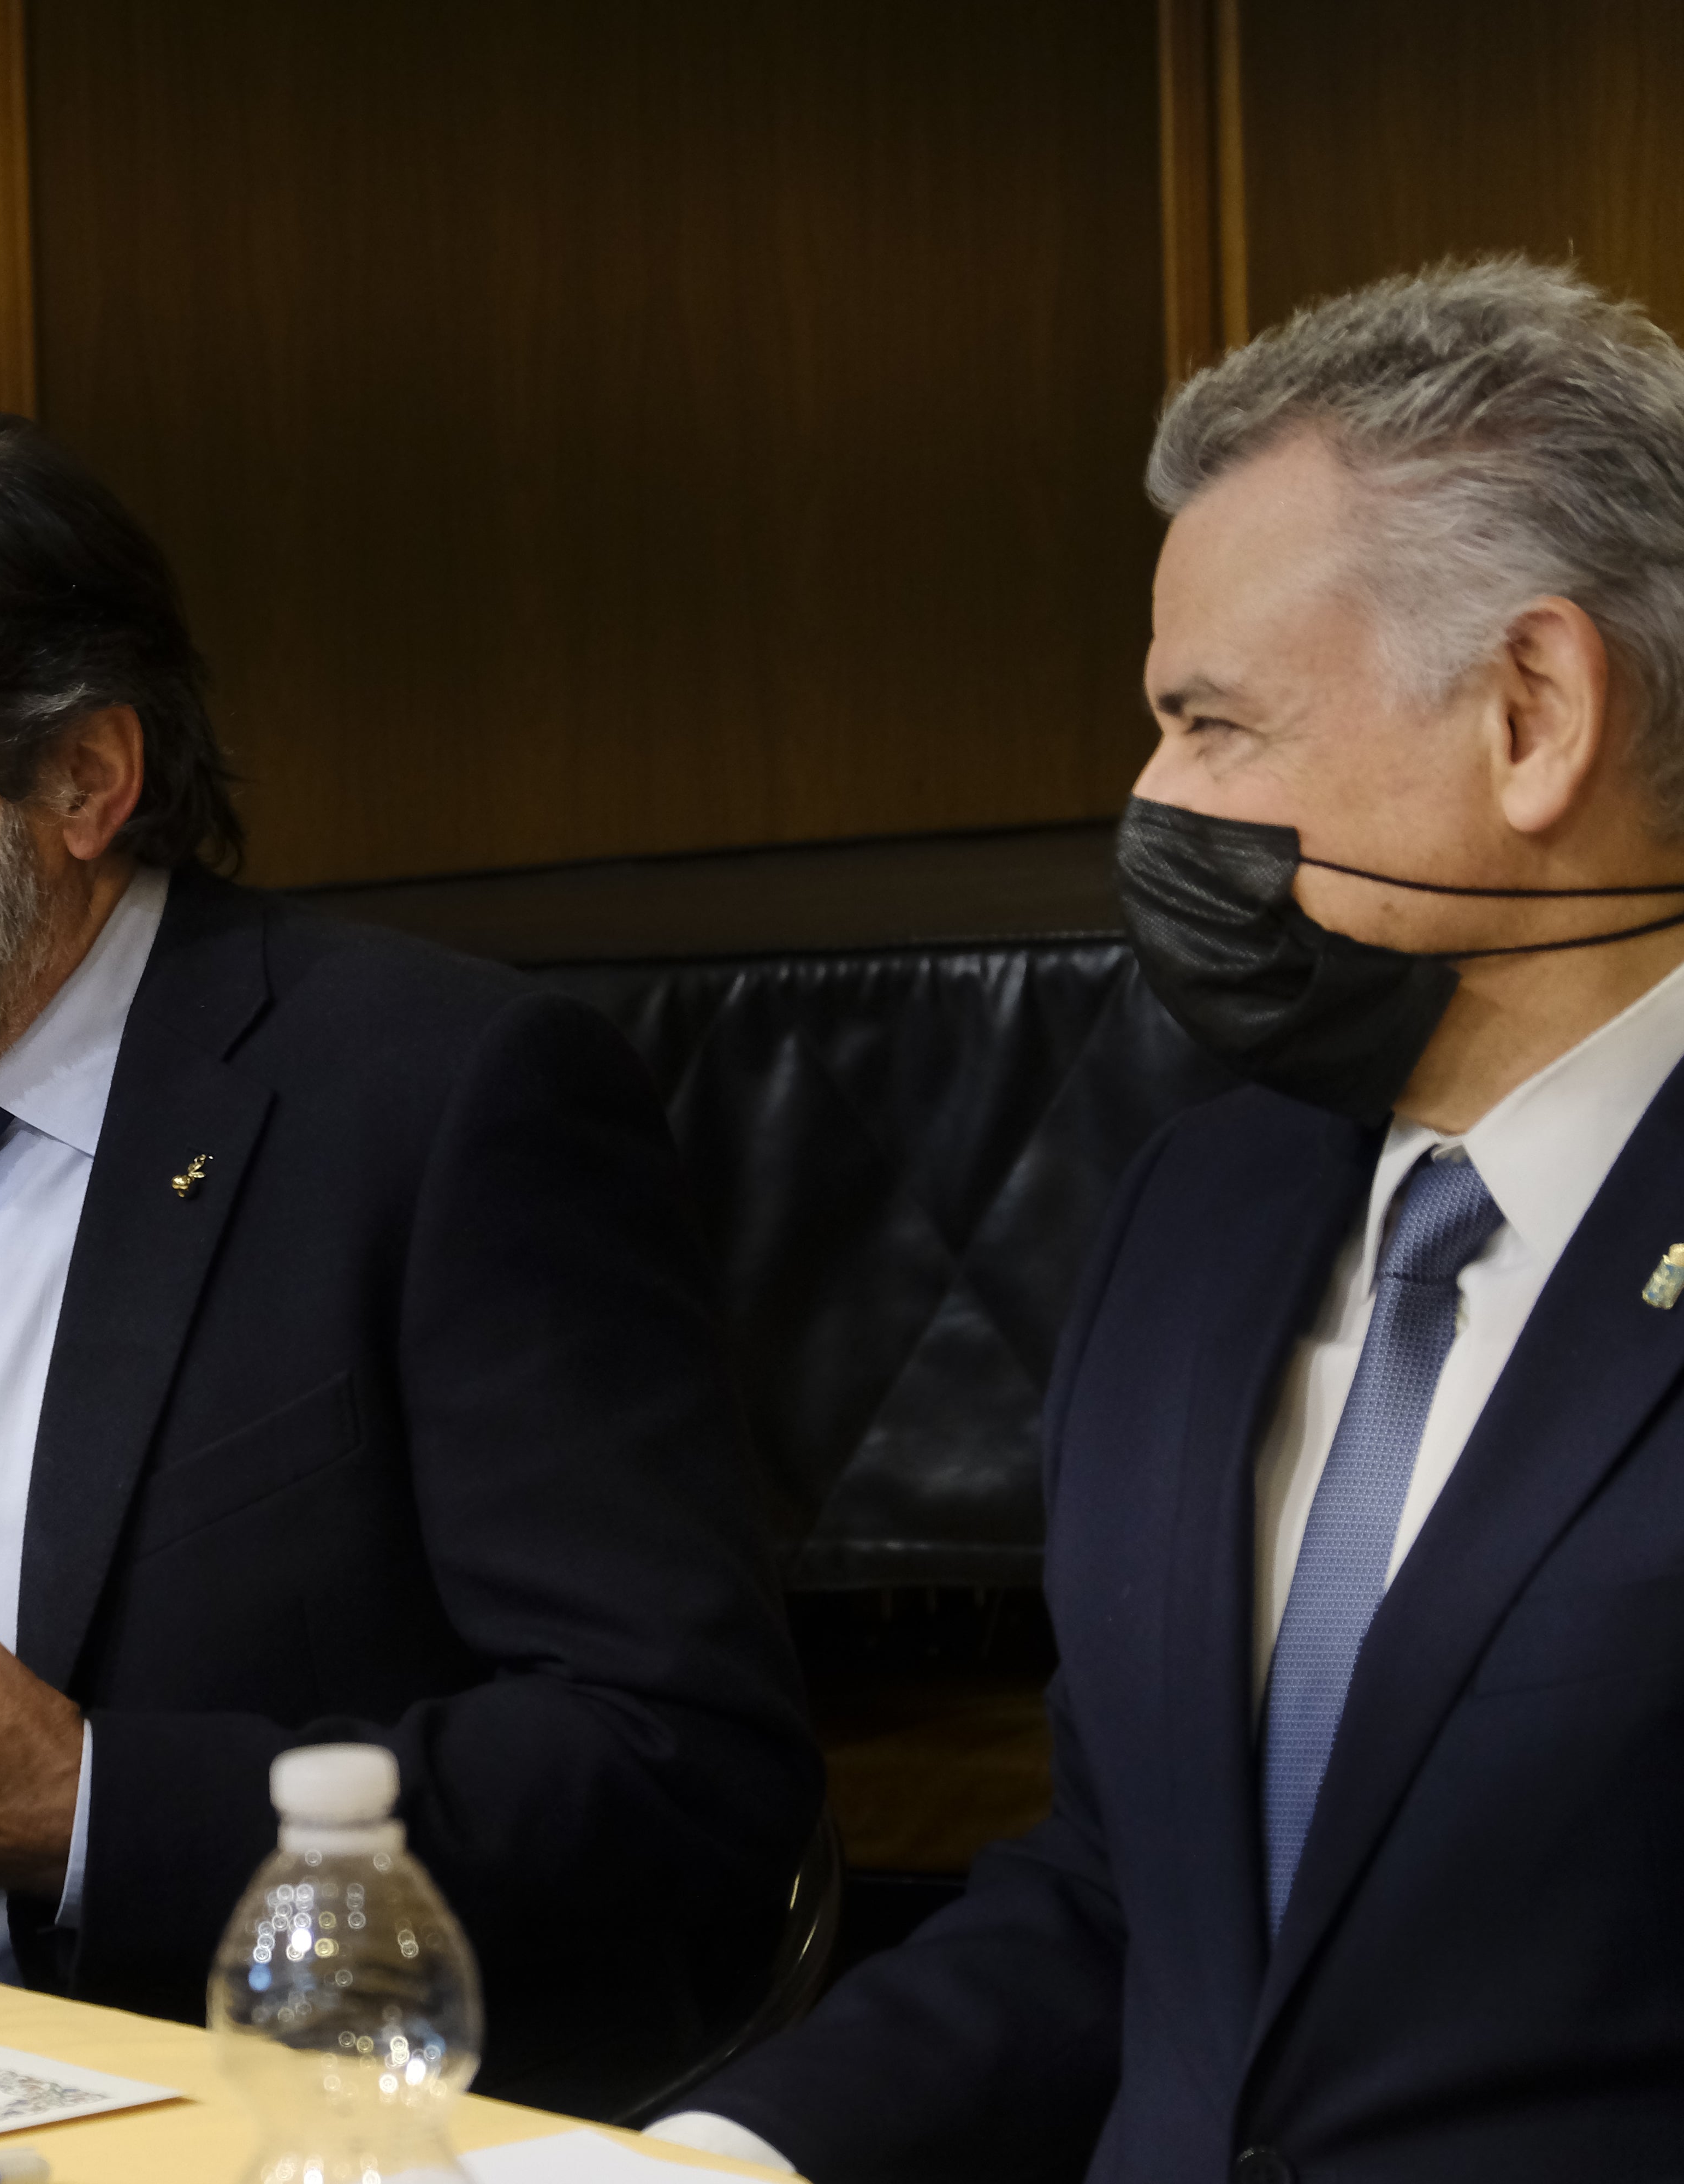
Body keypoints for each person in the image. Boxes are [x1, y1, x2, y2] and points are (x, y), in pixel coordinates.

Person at [0, 411, 817, 2116]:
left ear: (86, 784)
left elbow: (686, 1768)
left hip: (260, 2114)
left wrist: (96, 1805)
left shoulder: (439, 1109)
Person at [653, 259, 1684, 2179]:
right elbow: (1124, 1905)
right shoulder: (1203, 1211)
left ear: (1535, 711)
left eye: (1215, 725)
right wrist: (707, 2165)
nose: (1149, 799)